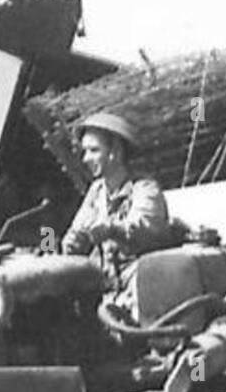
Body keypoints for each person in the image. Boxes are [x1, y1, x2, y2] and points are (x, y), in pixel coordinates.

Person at [61, 112, 176, 286]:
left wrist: (112, 229)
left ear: (115, 151)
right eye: (85, 151)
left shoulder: (144, 187)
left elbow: (147, 228)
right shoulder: (97, 191)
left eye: (93, 151)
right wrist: (71, 242)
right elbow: (78, 230)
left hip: (141, 280)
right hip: (104, 280)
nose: (85, 159)